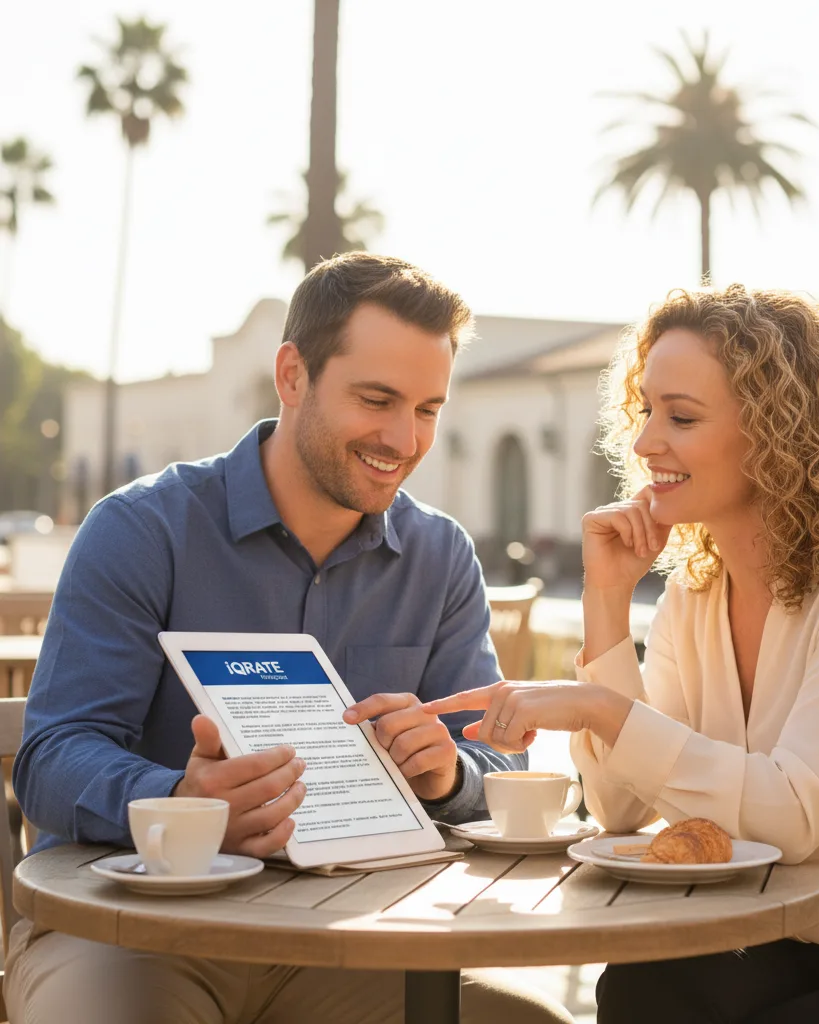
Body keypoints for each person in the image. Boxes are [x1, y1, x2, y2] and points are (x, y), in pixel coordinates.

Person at [418, 285, 819, 1022]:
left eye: (681, 416)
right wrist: (606, 599)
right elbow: (617, 809)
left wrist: (604, 710)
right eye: (646, 411)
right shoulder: (695, 596)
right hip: (773, 944)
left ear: (777, 432)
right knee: (640, 989)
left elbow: (790, 817)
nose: (644, 444)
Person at [7, 253, 573, 1024]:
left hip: (355, 939)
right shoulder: (143, 531)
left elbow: (496, 757)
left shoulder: (440, 557)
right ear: (292, 374)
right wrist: (181, 799)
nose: (403, 438)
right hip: (134, 932)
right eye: (377, 399)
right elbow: (51, 758)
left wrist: (445, 776)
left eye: (428, 409)